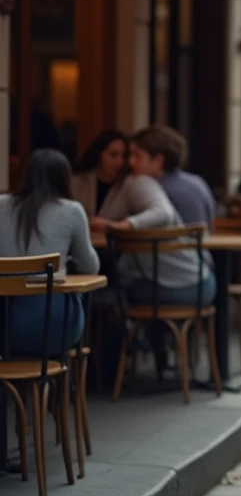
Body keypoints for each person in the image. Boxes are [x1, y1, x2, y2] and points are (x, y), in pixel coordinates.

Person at [94, 129, 213, 308]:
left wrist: (119, 226)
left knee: (117, 287)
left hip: (172, 277)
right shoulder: (197, 183)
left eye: (136, 156)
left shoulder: (146, 186)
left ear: (158, 161)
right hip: (202, 271)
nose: (129, 162)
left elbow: (162, 213)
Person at [0, 149, 100, 356]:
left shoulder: (1, 205)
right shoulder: (72, 210)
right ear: (65, 178)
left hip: (4, 326)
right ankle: (59, 386)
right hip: (53, 327)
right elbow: (91, 267)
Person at [72, 128, 129, 217]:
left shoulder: (127, 185)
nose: (120, 161)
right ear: (99, 154)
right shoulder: (78, 181)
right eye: (113, 155)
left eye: (124, 156)